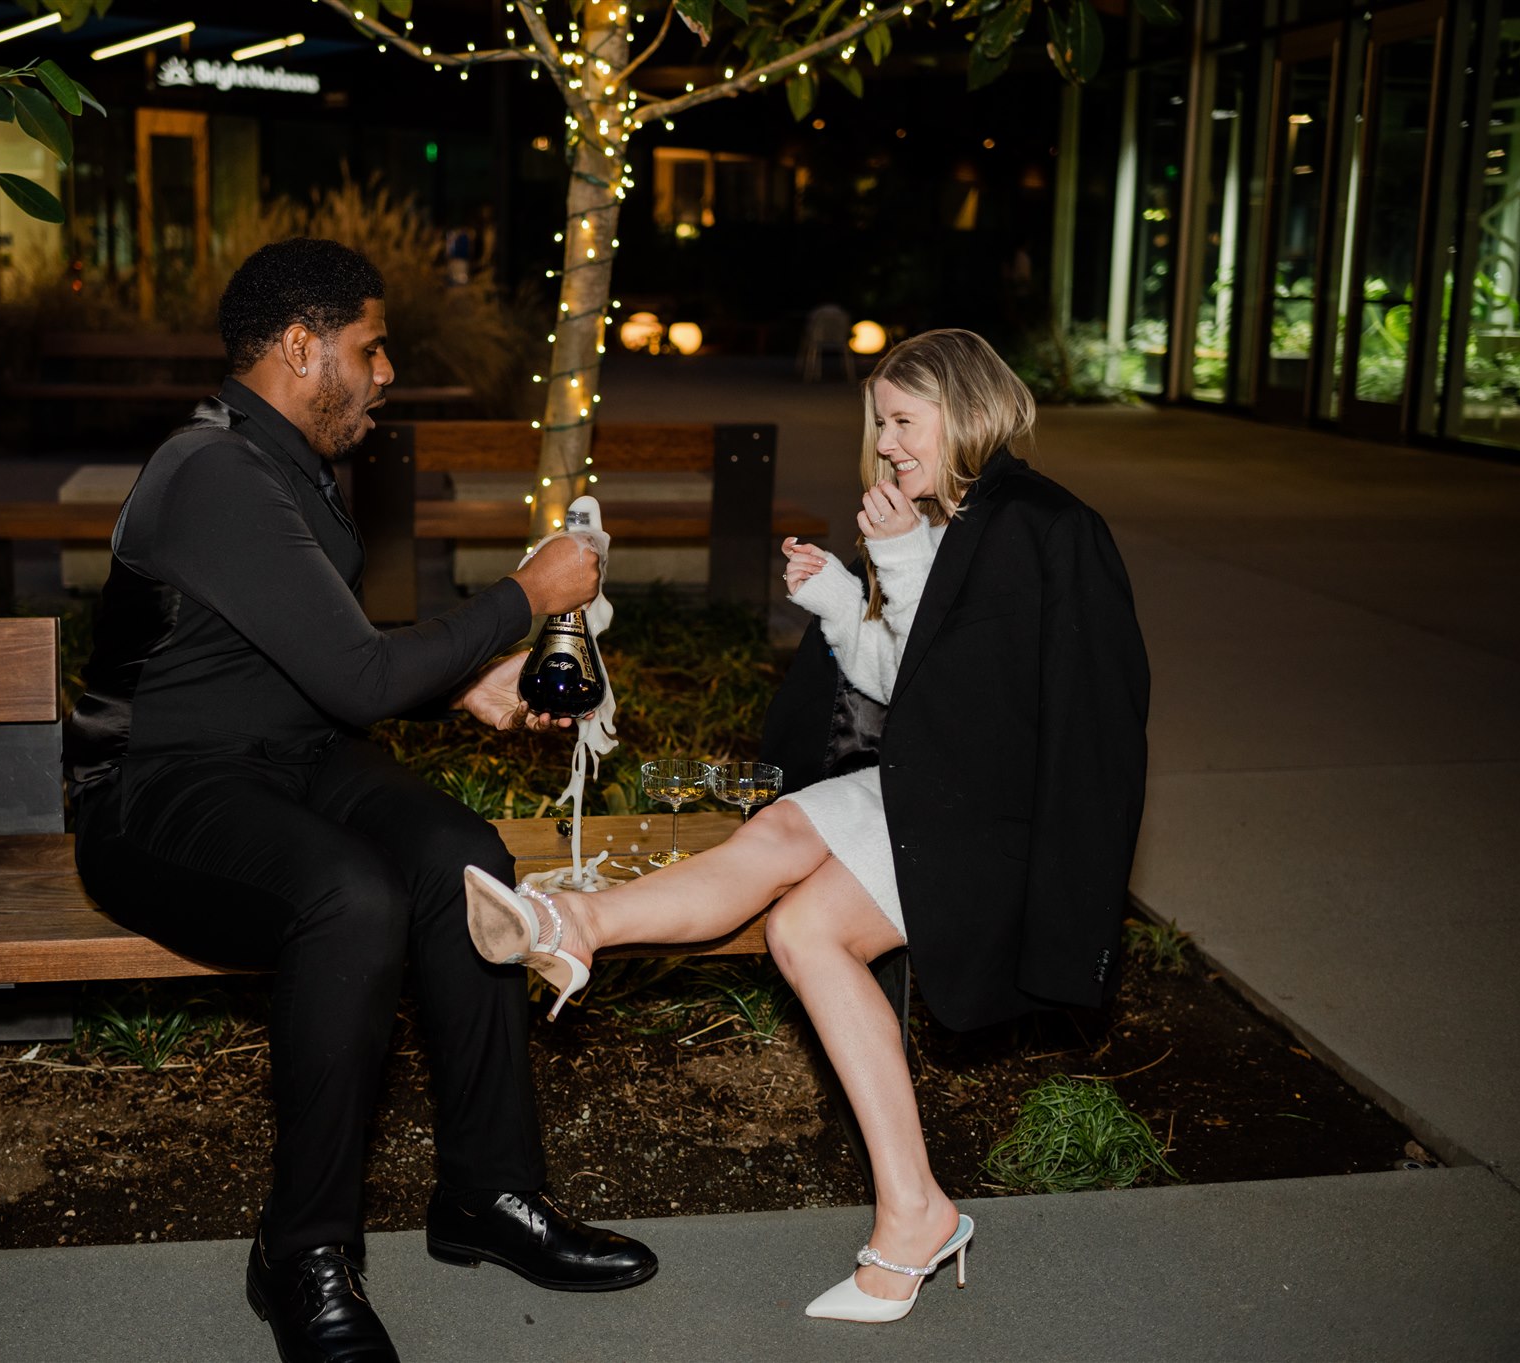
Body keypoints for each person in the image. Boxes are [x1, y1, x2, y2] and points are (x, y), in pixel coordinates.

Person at [463, 327, 1149, 1324]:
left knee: (803, 929)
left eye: (902, 421)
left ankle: (913, 1211)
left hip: (987, 815)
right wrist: (840, 594)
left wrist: (895, 561)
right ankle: (579, 929)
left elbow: (979, 698)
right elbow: (899, 685)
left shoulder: (1034, 523)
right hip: (923, 785)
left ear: (964, 412)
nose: (885, 444)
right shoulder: (942, 519)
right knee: (773, 841)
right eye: (878, 423)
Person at [65, 238, 657, 1363]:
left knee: (459, 855)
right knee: (350, 897)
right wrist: (526, 592)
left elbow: (321, 665)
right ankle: (303, 1252)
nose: (385, 372)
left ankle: (487, 1193)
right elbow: (356, 679)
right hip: (155, 793)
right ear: (300, 347)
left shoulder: (282, 465)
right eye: (369, 348)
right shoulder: (212, 474)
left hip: (288, 759)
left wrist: (464, 687)